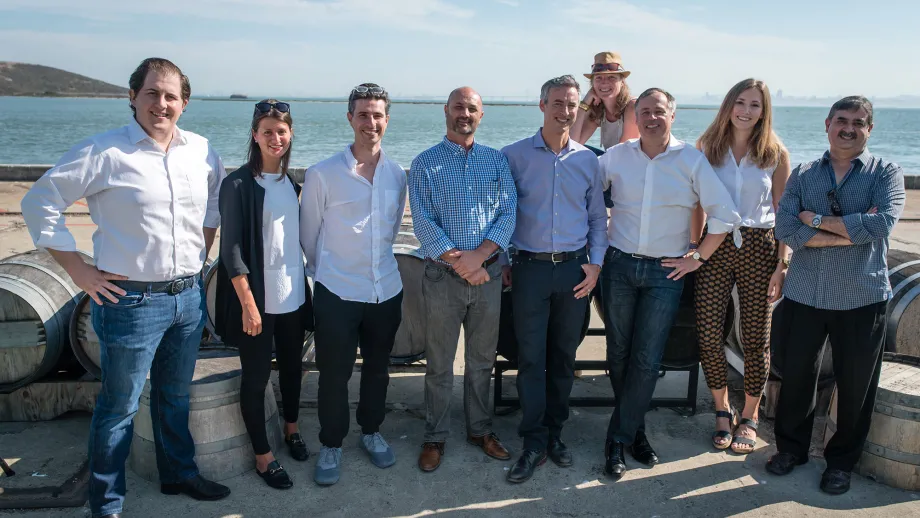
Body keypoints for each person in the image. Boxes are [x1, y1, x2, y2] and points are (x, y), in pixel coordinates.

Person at [20, 57, 229, 518]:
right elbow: (39, 203)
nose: (162, 103)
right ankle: (107, 504)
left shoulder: (201, 150)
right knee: (119, 407)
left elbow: (214, 203)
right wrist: (80, 272)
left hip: (188, 298)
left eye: (171, 95)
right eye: (152, 93)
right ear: (132, 96)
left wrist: (200, 255)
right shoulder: (104, 152)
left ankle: (179, 474)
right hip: (130, 301)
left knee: (175, 395)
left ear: (185, 103)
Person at [598, 88, 740, 479]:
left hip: (665, 274)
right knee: (619, 353)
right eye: (644, 111)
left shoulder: (690, 161)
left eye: (658, 111)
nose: (651, 117)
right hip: (619, 268)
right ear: (636, 117)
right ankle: (635, 432)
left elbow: (725, 216)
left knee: (647, 358)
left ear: (671, 116)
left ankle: (616, 441)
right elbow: (584, 192)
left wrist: (697, 257)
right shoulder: (616, 157)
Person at [767, 96, 905, 495]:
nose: (849, 128)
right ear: (827, 124)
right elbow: (785, 229)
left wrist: (814, 222)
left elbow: (881, 225)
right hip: (805, 294)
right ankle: (791, 450)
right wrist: (848, 231)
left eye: (858, 122)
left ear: (870, 129)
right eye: (841, 120)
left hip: (862, 295)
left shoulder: (887, 173)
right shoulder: (806, 173)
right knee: (796, 379)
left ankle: (841, 462)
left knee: (856, 385)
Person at [500, 75, 607, 483]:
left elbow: (598, 217)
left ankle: (555, 434)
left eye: (572, 104)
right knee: (530, 360)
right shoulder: (513, 156)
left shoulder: (588, 160)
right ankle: (532, 439)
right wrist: (508, 256)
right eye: (558, 102)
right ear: (542, 105)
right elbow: (503, 212)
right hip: (529, 268)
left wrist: (595, 265)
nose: (565, 110)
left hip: (574, 271)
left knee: (563, 357)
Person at [300, 83, 407, 486]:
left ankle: (372, 431)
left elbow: (392, 229)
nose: (371, 122)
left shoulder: (397, 174)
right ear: (350, 119)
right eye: (363, 114)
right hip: (337, 291)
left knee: (378, 370)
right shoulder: (323, 173)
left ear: (387, 120)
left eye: (377, 114)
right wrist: (327, 271)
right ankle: (331, 443)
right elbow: (308, 235)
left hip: (385, 290)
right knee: (334, 373)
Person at [409, 86, 517, 472]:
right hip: (442, 277)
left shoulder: (496, 162)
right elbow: (422, 221)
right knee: (438, 363)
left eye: (472, 108)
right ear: (446, 111)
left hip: (486, 276)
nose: (464, 114)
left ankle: (479, 430)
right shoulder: (425, 163)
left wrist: (480, 259)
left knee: (481, 361)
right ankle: (435, 436)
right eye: (458, 107)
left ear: (481, 115)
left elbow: (508, 213)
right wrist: (462, 263)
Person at [215, 99, 314, 490]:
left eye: (282, 131)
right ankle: (263, 455)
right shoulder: (237, 184)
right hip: (256, 298)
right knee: (256, 378)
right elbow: (231, 250)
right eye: (268, 131)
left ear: (290, 136)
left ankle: (291, 429)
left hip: (292, 294)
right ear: (255, 135)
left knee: (293, 368)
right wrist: (248, 304)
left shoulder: (291, 183)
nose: (276, 138)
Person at [691, 79, 791, 454]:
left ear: (764, 112)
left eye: (755, 105)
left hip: (759, 245)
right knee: (708, 330)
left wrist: (782, 264)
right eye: (741, 102)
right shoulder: (706, 148)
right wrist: (693, 246)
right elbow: (697, 203)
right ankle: (721, 409)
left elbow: (784, 214)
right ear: (728, 105)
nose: (746, 111)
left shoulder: (775, 152)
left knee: (756, 337)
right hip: (713, 245)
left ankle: (749, 416)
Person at [570, 51, 639, 149]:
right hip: (612, 160)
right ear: (592, 83)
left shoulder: (633, 106)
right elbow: (572, 145)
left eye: (611, 77)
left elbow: (625, 152)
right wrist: (584, 103)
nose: (604, 82)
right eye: (599, 78)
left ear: (622, 82)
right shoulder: (599, 110)